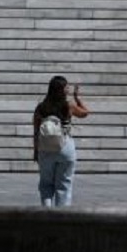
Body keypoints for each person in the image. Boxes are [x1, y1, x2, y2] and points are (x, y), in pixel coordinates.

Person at [32, 76, 89, 207]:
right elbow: (85, 113)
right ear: (62, 89)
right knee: (64, 185)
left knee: (46, 184)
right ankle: (61, 218)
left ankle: (46, 214)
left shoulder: (40, 108)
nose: (68, 89)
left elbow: (35, 132)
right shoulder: (68, 106)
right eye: (66, 87)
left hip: (45, 149)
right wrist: (77, 98)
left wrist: (36, 151)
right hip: (65, 147)